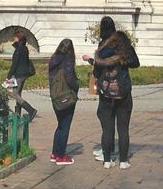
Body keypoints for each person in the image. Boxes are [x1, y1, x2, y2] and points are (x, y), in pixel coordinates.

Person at [85, 17, 140, 169]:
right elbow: (136, 63)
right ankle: (123, 161)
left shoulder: (102, 47)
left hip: (106, 93)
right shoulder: (122, 44)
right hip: (123, 92)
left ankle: (107, 160)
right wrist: (122, 60)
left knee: (107, 128)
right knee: (123, 129)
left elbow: (96, 71)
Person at [48, 38, 79, 166]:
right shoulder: (68, 60)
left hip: (55, 97)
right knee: (65, 126)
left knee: (60, 125)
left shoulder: (53, 60)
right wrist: (77, 86)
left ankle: (55, 153)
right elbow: (70, 78)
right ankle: (61, 156)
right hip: (66, 96)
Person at [6, 30, 38, 121]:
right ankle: (17, 115)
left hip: (18, 75)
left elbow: (15, 64)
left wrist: (9, 76)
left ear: (18, 38)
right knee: (18, 93)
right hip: (23, 74)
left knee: (13, 93)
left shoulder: (19, 49)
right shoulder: (24, 48)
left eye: (15, 37)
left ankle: (31, 110)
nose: (13, 38)